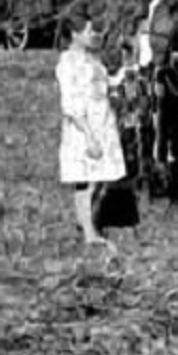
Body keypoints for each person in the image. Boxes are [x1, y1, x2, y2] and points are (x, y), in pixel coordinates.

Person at [56, 14, 129, 247]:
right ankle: (89, 232)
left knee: (98, 179)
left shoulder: (92, 60)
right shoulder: (67, 63)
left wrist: (129, 69)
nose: (93, 35)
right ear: (75, 35)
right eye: (88, 31)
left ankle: (89, 223)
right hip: (84, 127)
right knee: (85, 180)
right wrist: (88, 136)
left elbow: (108, 83)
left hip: (102, 124)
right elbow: (70, 103)